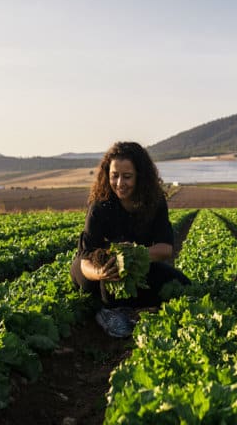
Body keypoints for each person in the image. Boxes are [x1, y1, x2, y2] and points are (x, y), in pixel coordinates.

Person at [71, 141, 190, 338]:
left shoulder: (154, 202)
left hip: (137, 267)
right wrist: (100, 272)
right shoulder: (100, 207)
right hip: (98, 271)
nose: (119, 183)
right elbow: (84, 260)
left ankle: (124, 308)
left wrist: (133, 255)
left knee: (181, 284)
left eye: (127, 177)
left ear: (140, 177)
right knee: (97, 283)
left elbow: (165, 248)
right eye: (114, 176)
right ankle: (111, 311)